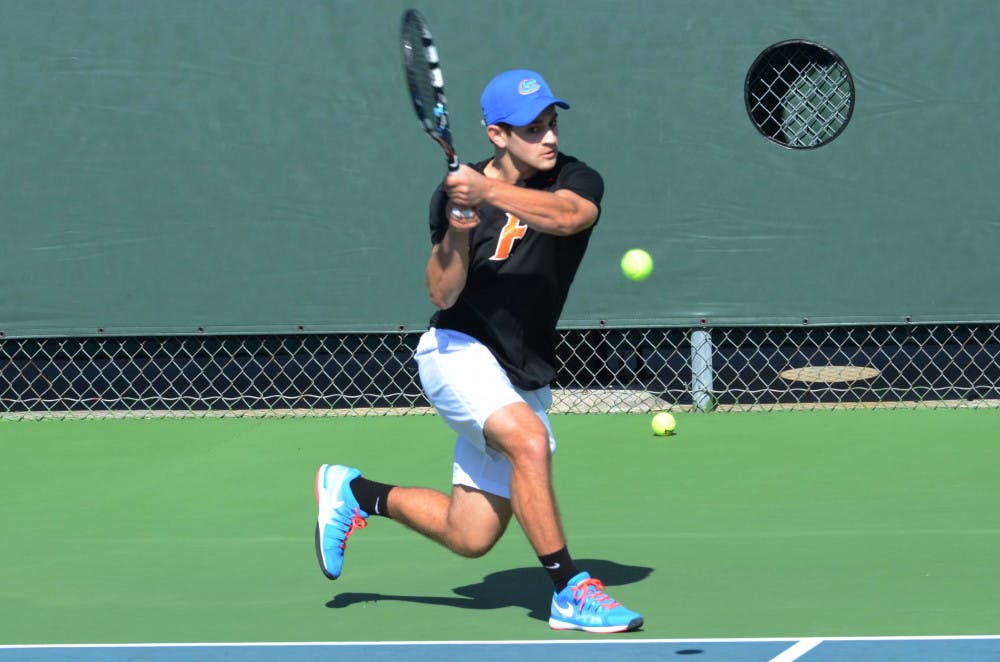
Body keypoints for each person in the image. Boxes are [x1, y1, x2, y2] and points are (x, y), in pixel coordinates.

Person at [315, 69, 643, 633]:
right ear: (497, 134)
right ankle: (568, 589)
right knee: (530, 440)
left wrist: (488, 192)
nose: (548, 138)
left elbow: (569, 217)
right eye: (532, 128)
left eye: (551, 123)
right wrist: (461, 227)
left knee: (471, 536)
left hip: (524, 371)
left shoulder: (576, 177)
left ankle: (355, 491)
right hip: (457, 350)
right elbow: (442, 291)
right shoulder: (454, 197)